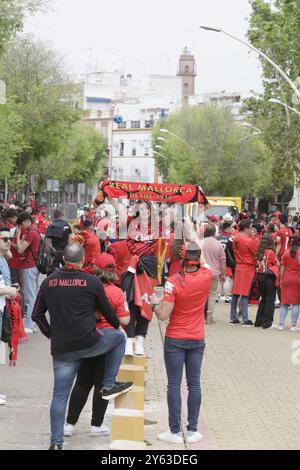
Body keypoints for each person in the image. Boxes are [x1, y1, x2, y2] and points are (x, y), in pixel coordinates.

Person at [32, 243, 133, 450]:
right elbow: (109, 312)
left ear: (63, 260)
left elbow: (36, 315)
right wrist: (117, 327)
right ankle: (108, 384)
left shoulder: (49, 282)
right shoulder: (91, 282)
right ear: (82, 260)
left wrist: (51, 334)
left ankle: (56, 443)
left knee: (59, 396)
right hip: (89, 343)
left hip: (62, 349)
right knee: (119, 338)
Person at [150, 242, 212, 445]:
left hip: (175, 338)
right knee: (194, 383)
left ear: (182, 259)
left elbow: (163, 315)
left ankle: (174, 431)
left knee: (174, 384)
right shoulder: (206, 276)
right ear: (198, 258)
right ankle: (193, 430)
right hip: (197, 338)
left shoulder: (173, 282)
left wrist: (153, 304)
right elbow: (204, 260)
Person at [64, 252, 130, 438]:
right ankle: (96, 425)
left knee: (83, 382)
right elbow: (125, 319)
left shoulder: (86, 288)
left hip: (88, 339)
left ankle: (69, 424)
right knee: (103, 383)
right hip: (109, 343)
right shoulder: (117, 292)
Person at [11, 212, 40, 333]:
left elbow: (20, 248)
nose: (21, 227)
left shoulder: (32, 233)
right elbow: (19, 247)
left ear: (27, 221)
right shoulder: (32, 232)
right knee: (31, 295)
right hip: (30, 266)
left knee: (30, 296)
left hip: (29, 266)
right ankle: (32, 323)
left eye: (22, 224)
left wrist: (17, 235)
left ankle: (30, 324)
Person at [0, 227, 18, 405]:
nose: (8, 241)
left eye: (9, 238)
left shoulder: (4, 259)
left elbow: (11, 256)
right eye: (4, 239)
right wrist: (9, 290)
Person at [230, 219, 258, 326]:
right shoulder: (249, 240)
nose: (251, 229)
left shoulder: (235, 237)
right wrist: (254, 238)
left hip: (239, 266)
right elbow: (255, 252)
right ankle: (245, 318)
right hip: (248, 267)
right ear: (246, 228)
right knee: (245, 294)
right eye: (250, 227)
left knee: (236, 293)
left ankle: (233, 317)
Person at [201, 224, 226, 324]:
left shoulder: (201, 243)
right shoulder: (218, 244)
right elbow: (223, 261)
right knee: (212, 295)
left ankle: (200, 316)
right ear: (214, 233)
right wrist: (223, 274)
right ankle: (209, 317)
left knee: (201, 295)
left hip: (202, 272)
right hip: (215, 273)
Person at [254, 234, 279, 329]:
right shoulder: (270, 252)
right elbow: (277, 263)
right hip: (269, 277)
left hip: (261, 276)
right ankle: (267, 322)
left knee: (263, 299)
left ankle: (258, 321)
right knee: (270, 299)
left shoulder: (260, 251)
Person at [277, 235, 300, 331]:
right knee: (296, 303)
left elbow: (282, 269)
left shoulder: (286, 252)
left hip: (286, 278)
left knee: (284, 303)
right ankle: (293, 326)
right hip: (297, 279)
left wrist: (281, 280)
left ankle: (281, 325)